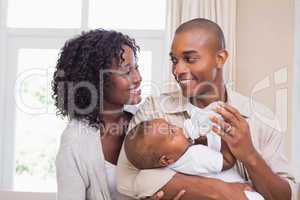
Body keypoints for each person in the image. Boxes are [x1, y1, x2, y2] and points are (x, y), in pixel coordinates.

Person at [117, 18, 298, 200]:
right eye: (174, 60)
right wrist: (220, 191)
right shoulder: (155, 110)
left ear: (220, 59)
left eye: (190, 59)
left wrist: (249, 155)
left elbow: (287, 196)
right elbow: (126, 181)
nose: (178, 70)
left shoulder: (260, 117)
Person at [53, 29, 184, 200]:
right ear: (96, 81)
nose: (138, 78)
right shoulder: (75, 142)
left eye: (136, 68)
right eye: (126, 71)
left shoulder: (147, 119)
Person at [124, 118, 264, 200]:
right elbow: (227, 161)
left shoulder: (172, 168)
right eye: (172, 132)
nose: (178, 129)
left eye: (172, 126)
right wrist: (224, 134)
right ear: (166, 160)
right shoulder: (192, 157)